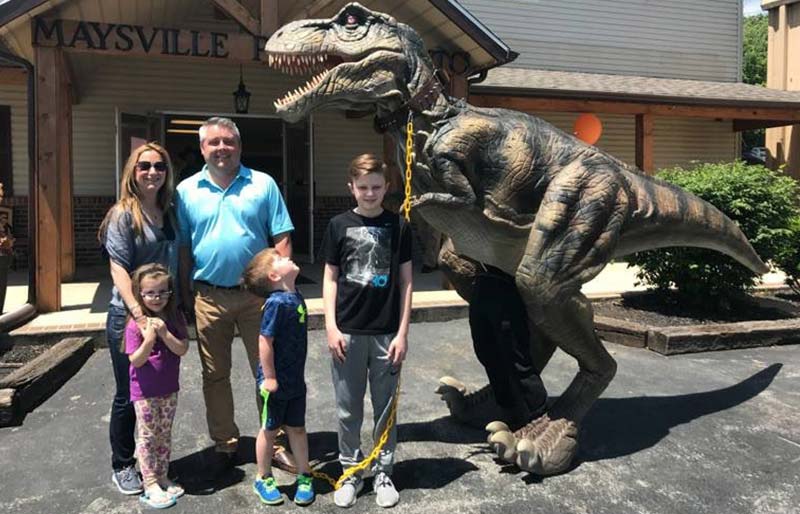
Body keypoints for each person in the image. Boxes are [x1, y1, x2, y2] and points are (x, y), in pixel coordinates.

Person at [176, 117, 296, 471]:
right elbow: (183, 248)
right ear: (202, 149)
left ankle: (275, 442)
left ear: (239, 146)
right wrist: (183, 294)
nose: (222, 148)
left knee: (268, 371)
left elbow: (282, 237)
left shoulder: (263, 184)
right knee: (215, 375)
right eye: (213, 142)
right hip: (209, 297)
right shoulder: (185, 191)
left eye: (228, 141)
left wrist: (283, 290)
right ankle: (225, 443)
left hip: (258, 298)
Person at [322, 154, 413, 508]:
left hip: (387, 333)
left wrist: (403, 333)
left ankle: (383, 471)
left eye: (376, 186)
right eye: (363, 187)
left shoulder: (399, 226)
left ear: (386, 187)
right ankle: (350, 470)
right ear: (352, 188)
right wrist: (331, 326)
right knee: (348, 409)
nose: (370, 193)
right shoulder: (338, 225)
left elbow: (406, 282)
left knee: (385, 407)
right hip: (347, 332)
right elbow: (330, 278)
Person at [98, 142, 179, 495]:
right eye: (144, 166)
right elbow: (117, 268)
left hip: (163, 314)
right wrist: (137, 313)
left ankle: (154, 465)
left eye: (159, 166)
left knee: (158, 394)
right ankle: (123, 464)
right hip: (129, 317)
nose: (152, 172)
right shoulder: (123, 214)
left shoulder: (168, 211)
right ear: (133, 171)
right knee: (128, 393)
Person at [241, 248, 314, 506]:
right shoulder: (276, 303)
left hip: (295, 380)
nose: (287, 257)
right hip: (275, 383)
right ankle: (263, 477)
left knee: (298, 428)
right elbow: (265, 341)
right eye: (280, 259)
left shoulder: (295, 296)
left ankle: (305, 475)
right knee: (270, 429)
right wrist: (270, 377)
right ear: (273, 275)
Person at [125, 263, 189, 509]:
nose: (156, 297)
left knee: (164, 433)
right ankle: (149, 481)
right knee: (148, 436)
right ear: (140, 294)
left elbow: (182, 349)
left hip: (169, 388)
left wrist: (164, 334)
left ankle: (162, 475)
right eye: (150, 293)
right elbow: (136, 360)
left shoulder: (174, 318)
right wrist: (150, 338)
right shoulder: (135, 324)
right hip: (144, 392)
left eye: (162, 292)